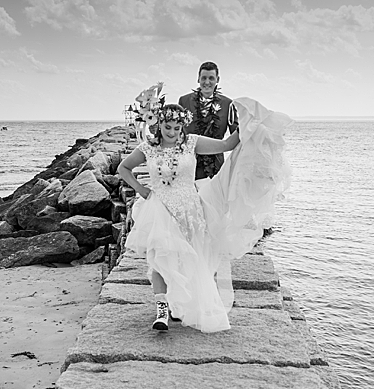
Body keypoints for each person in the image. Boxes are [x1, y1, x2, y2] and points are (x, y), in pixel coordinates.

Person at [117, 98, 291, 332]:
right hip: (159, 208)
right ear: (159, 124)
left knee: (187, 258)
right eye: (167, 127)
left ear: (183, 127)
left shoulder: (192, 143)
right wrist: (141, 190)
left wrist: (248, 123)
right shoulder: (148, 147)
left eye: (177, 128)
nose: (172, 132)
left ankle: (178, 305)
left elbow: (227, 144)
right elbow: (123, 169)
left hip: (189, 209)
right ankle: (161, 312)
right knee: (159, 256)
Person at [178, 62, 238, 180]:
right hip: (188, 164)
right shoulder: (184, 101)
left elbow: (236, 134)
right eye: (203, 78)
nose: (207, 82)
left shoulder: (228, 104)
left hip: (216, 166)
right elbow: (174, 131)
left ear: (217, 80)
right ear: (198, 79)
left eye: (211, 78)